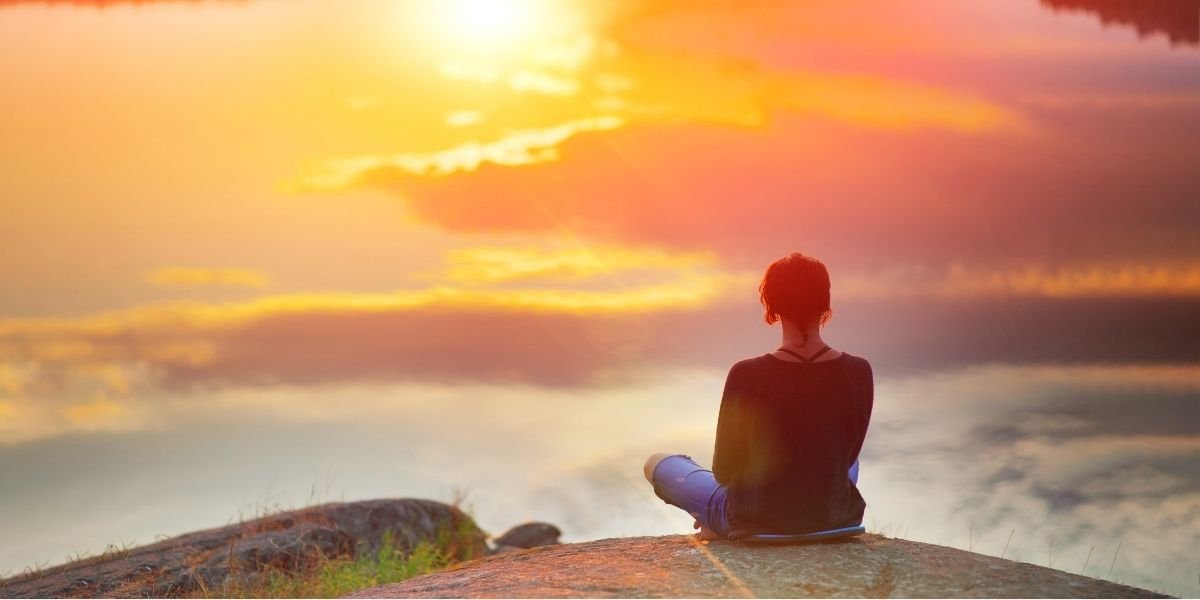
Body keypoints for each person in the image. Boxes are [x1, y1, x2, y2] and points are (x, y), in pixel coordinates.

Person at [643, 252, 873, 540]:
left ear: (772, 305)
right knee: (848, 464)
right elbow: (850, 454)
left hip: (757, 520)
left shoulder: (746, 374)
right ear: (825, 304)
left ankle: (716, 522)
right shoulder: (858, 370)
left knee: (658, 463)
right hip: (835, 519)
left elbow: (725, 472)